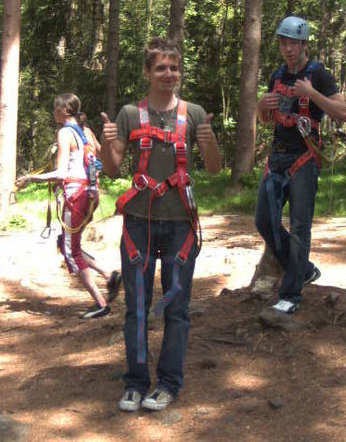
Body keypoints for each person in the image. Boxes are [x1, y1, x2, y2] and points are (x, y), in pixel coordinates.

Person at [100, 37, 222, 412]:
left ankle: (168, 383)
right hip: (139, 223)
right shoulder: (129, 115)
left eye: (174, 68)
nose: (169, 74)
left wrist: (210, 140)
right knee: (137, 307)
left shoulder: (195, 114)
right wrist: (105, 143)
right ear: (148, 72)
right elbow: (112, 167)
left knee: (176, 306)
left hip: (180, 226)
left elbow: (215, 167)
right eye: (161, 68)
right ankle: (135, 383)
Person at [255, 16, 346, 314]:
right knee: (263, 220)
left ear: (304, 44)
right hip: (277, 156)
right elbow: (264, 119)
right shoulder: (277, 75)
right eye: (283, 43)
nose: (288, 48)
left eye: (293, 43)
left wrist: (312, 94)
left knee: (299, 227)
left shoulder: (318, 75)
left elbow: (343, 113)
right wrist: (262, 105)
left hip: (304, 159)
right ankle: (303, 269)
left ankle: (291, 294)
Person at [16, 93, 121, 319]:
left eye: (55, 108)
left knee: (71, 251)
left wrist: (30, 178)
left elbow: (62, 172)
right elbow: (105, 161)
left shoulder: (65, 132)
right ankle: (108, 275)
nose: (53, 112)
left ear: (64, 110)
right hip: (91, 196)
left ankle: (101, 303)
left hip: (76, 197)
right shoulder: (88, 132)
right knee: (67, 243)